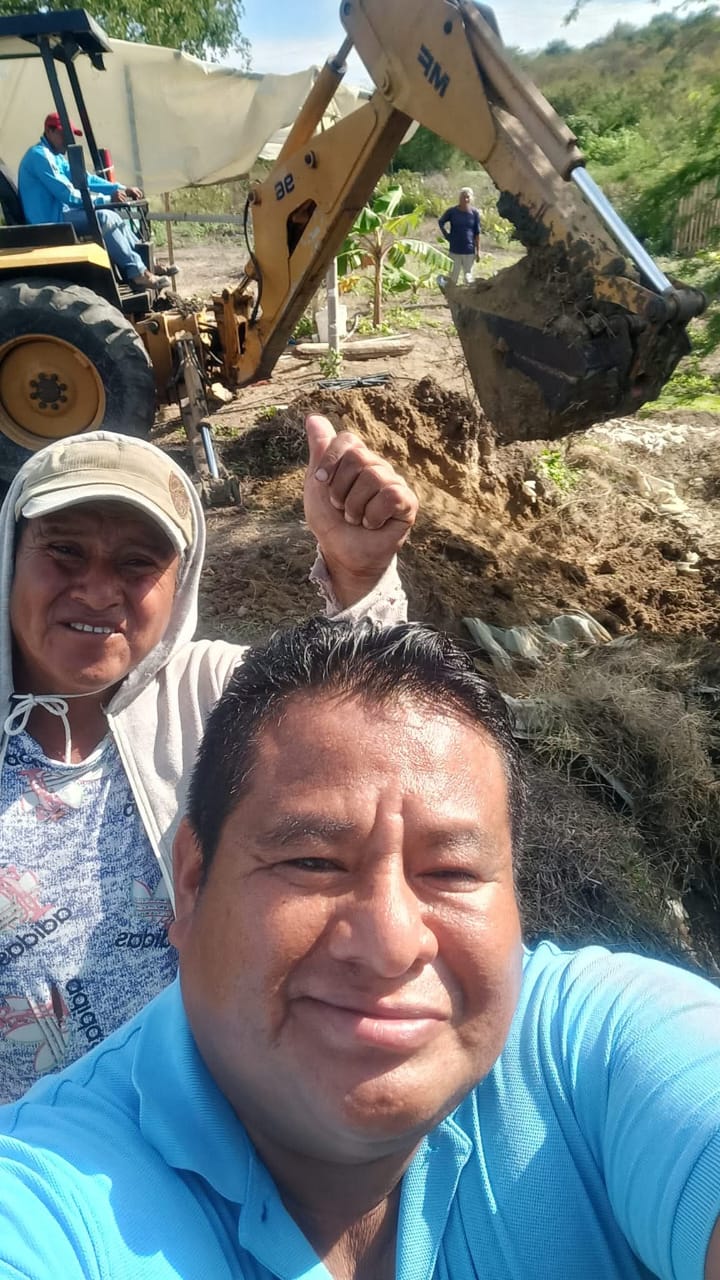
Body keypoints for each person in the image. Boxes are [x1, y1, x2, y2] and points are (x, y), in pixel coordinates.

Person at [0, 619, 718, 1280]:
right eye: (313, 863)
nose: (390, 944)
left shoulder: (593, 1049)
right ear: (191, 884)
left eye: (452, 873)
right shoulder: (45, 1199)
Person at [0, 424, 416, 1102]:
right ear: (11, 557)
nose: (99, 591)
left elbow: (365, 728)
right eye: (65, 551)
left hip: (206, 1120)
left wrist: (359, 575)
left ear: (180, 584)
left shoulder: (216, 694)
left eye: (138, 563)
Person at [17, 112, 169, 290]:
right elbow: (68, 195)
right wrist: (107, 199)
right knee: (104, 218)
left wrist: (120, 188)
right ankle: (137, 272)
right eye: (63, 135)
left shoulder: (54, 156)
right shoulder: (40, 157)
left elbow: (84, 178)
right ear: (49, 131)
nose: (67, 141)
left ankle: (147, 263)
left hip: (60, 213)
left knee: (113, 216)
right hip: (49, 221)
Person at [438, 187, 481, 285]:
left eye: (467, 197)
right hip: (455, 250)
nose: (465, 199)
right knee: (453, 277)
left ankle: (467, 294)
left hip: (469, 250)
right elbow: (441, 222)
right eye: (463, 197)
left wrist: (478, 251)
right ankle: (450, 293)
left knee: (468, 278)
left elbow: (477, 233)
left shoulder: (474, 213)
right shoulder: (452, 212)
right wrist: (447, 235)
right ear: (459, 198)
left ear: (471, 199)